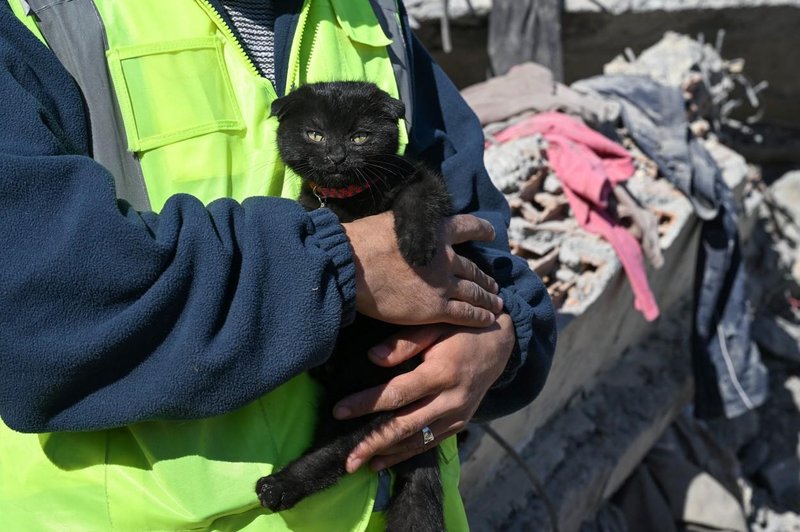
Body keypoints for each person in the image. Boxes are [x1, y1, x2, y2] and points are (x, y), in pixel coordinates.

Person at [0, 0, 556, 530]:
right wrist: (339, 266)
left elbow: (476, 228)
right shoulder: (34, 16)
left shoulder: (366, 9)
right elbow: (35, 307)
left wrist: (496, 337)